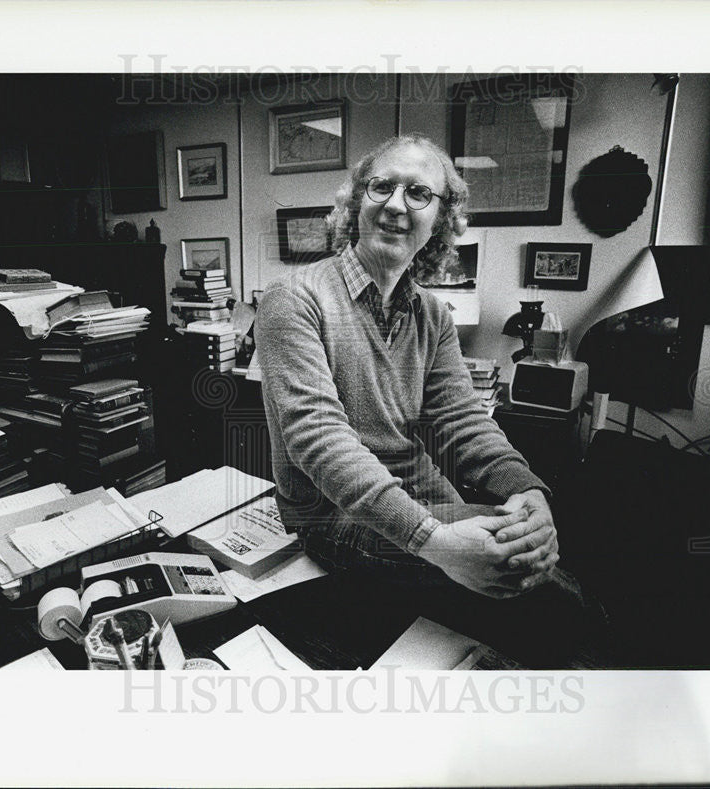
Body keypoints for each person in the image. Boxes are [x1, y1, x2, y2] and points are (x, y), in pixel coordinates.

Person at [256, 135, 601, 665]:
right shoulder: (295, 299)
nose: (396, 204)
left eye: (418, 193)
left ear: (440, 220)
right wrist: (435, 541)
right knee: (553, 600)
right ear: (356, 202)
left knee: (543, 564)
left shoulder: (433, 315)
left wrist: (530, 492)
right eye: (381, 187)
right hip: (331, 517)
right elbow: (319, 441)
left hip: (423, 497)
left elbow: (460, 420)